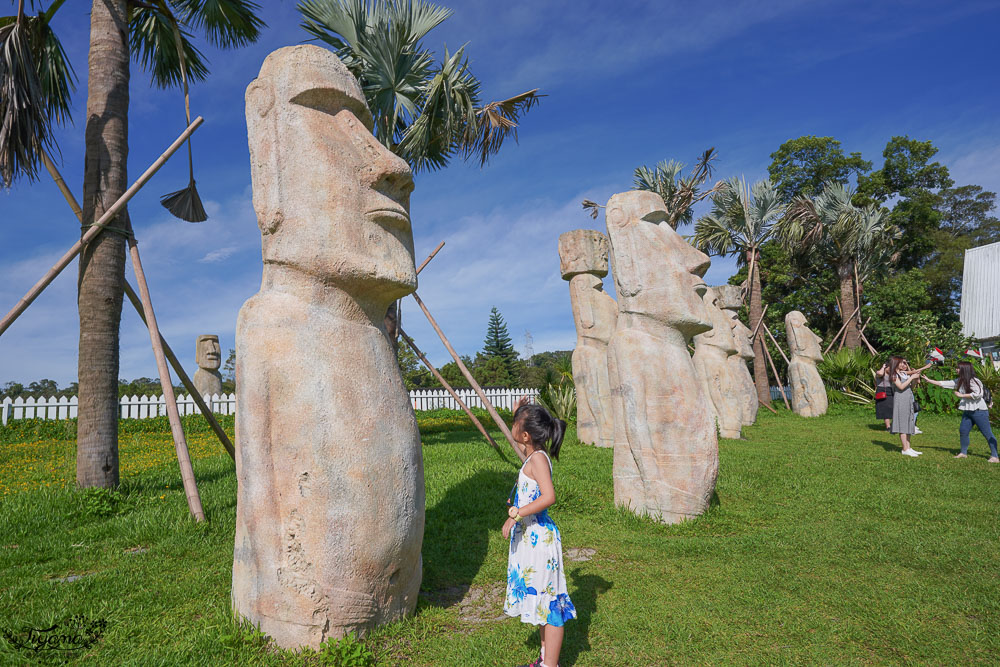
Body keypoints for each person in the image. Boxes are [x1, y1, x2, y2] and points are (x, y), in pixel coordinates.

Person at [503, 397, 575, 667]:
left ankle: (551, 665)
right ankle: (545, 659)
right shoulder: (533, 455)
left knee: (552, 605)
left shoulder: (539, 461)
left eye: (516, 423)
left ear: (525, 434)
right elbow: (519, 445)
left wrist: (518, 513)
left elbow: (549, 496)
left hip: (540, 539)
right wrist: (517, 413)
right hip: (531, 539)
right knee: (544, 602)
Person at [923, 361, 999, 462]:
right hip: (967, 411)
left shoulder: (974, 381)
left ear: (964, 369)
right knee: (963, 431)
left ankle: (995, 456)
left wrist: (962, 395)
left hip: (979, 411)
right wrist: (929, 380)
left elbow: (979, 394)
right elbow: (945, 383)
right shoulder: (960, 380)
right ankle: (963, 453)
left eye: (958, 368)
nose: (956, 369)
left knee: (987, 433)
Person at [888, 356, 923, 456]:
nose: (904, 365)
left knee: (908, 423)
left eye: (905, 363)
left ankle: (908, 447)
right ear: (896, 363)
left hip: (908, 399)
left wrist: (915, 380)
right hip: (900, 400)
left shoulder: (903, 374)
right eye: (902, 363)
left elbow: (910, 387)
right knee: (903, 424)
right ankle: (904, 449)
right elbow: (901, 387)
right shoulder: (894, 375)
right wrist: (912, 377)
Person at [874, 361, 894, 430]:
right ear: (886, 367)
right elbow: (880, 373)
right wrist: (883, 367)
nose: (891, 369)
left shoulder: (892, 374)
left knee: (892, 408)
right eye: (890, 368)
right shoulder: (880, 373)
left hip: (891, 391)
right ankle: (888, 426)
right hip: (882, 391)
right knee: (885, 409)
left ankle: (894, 425)